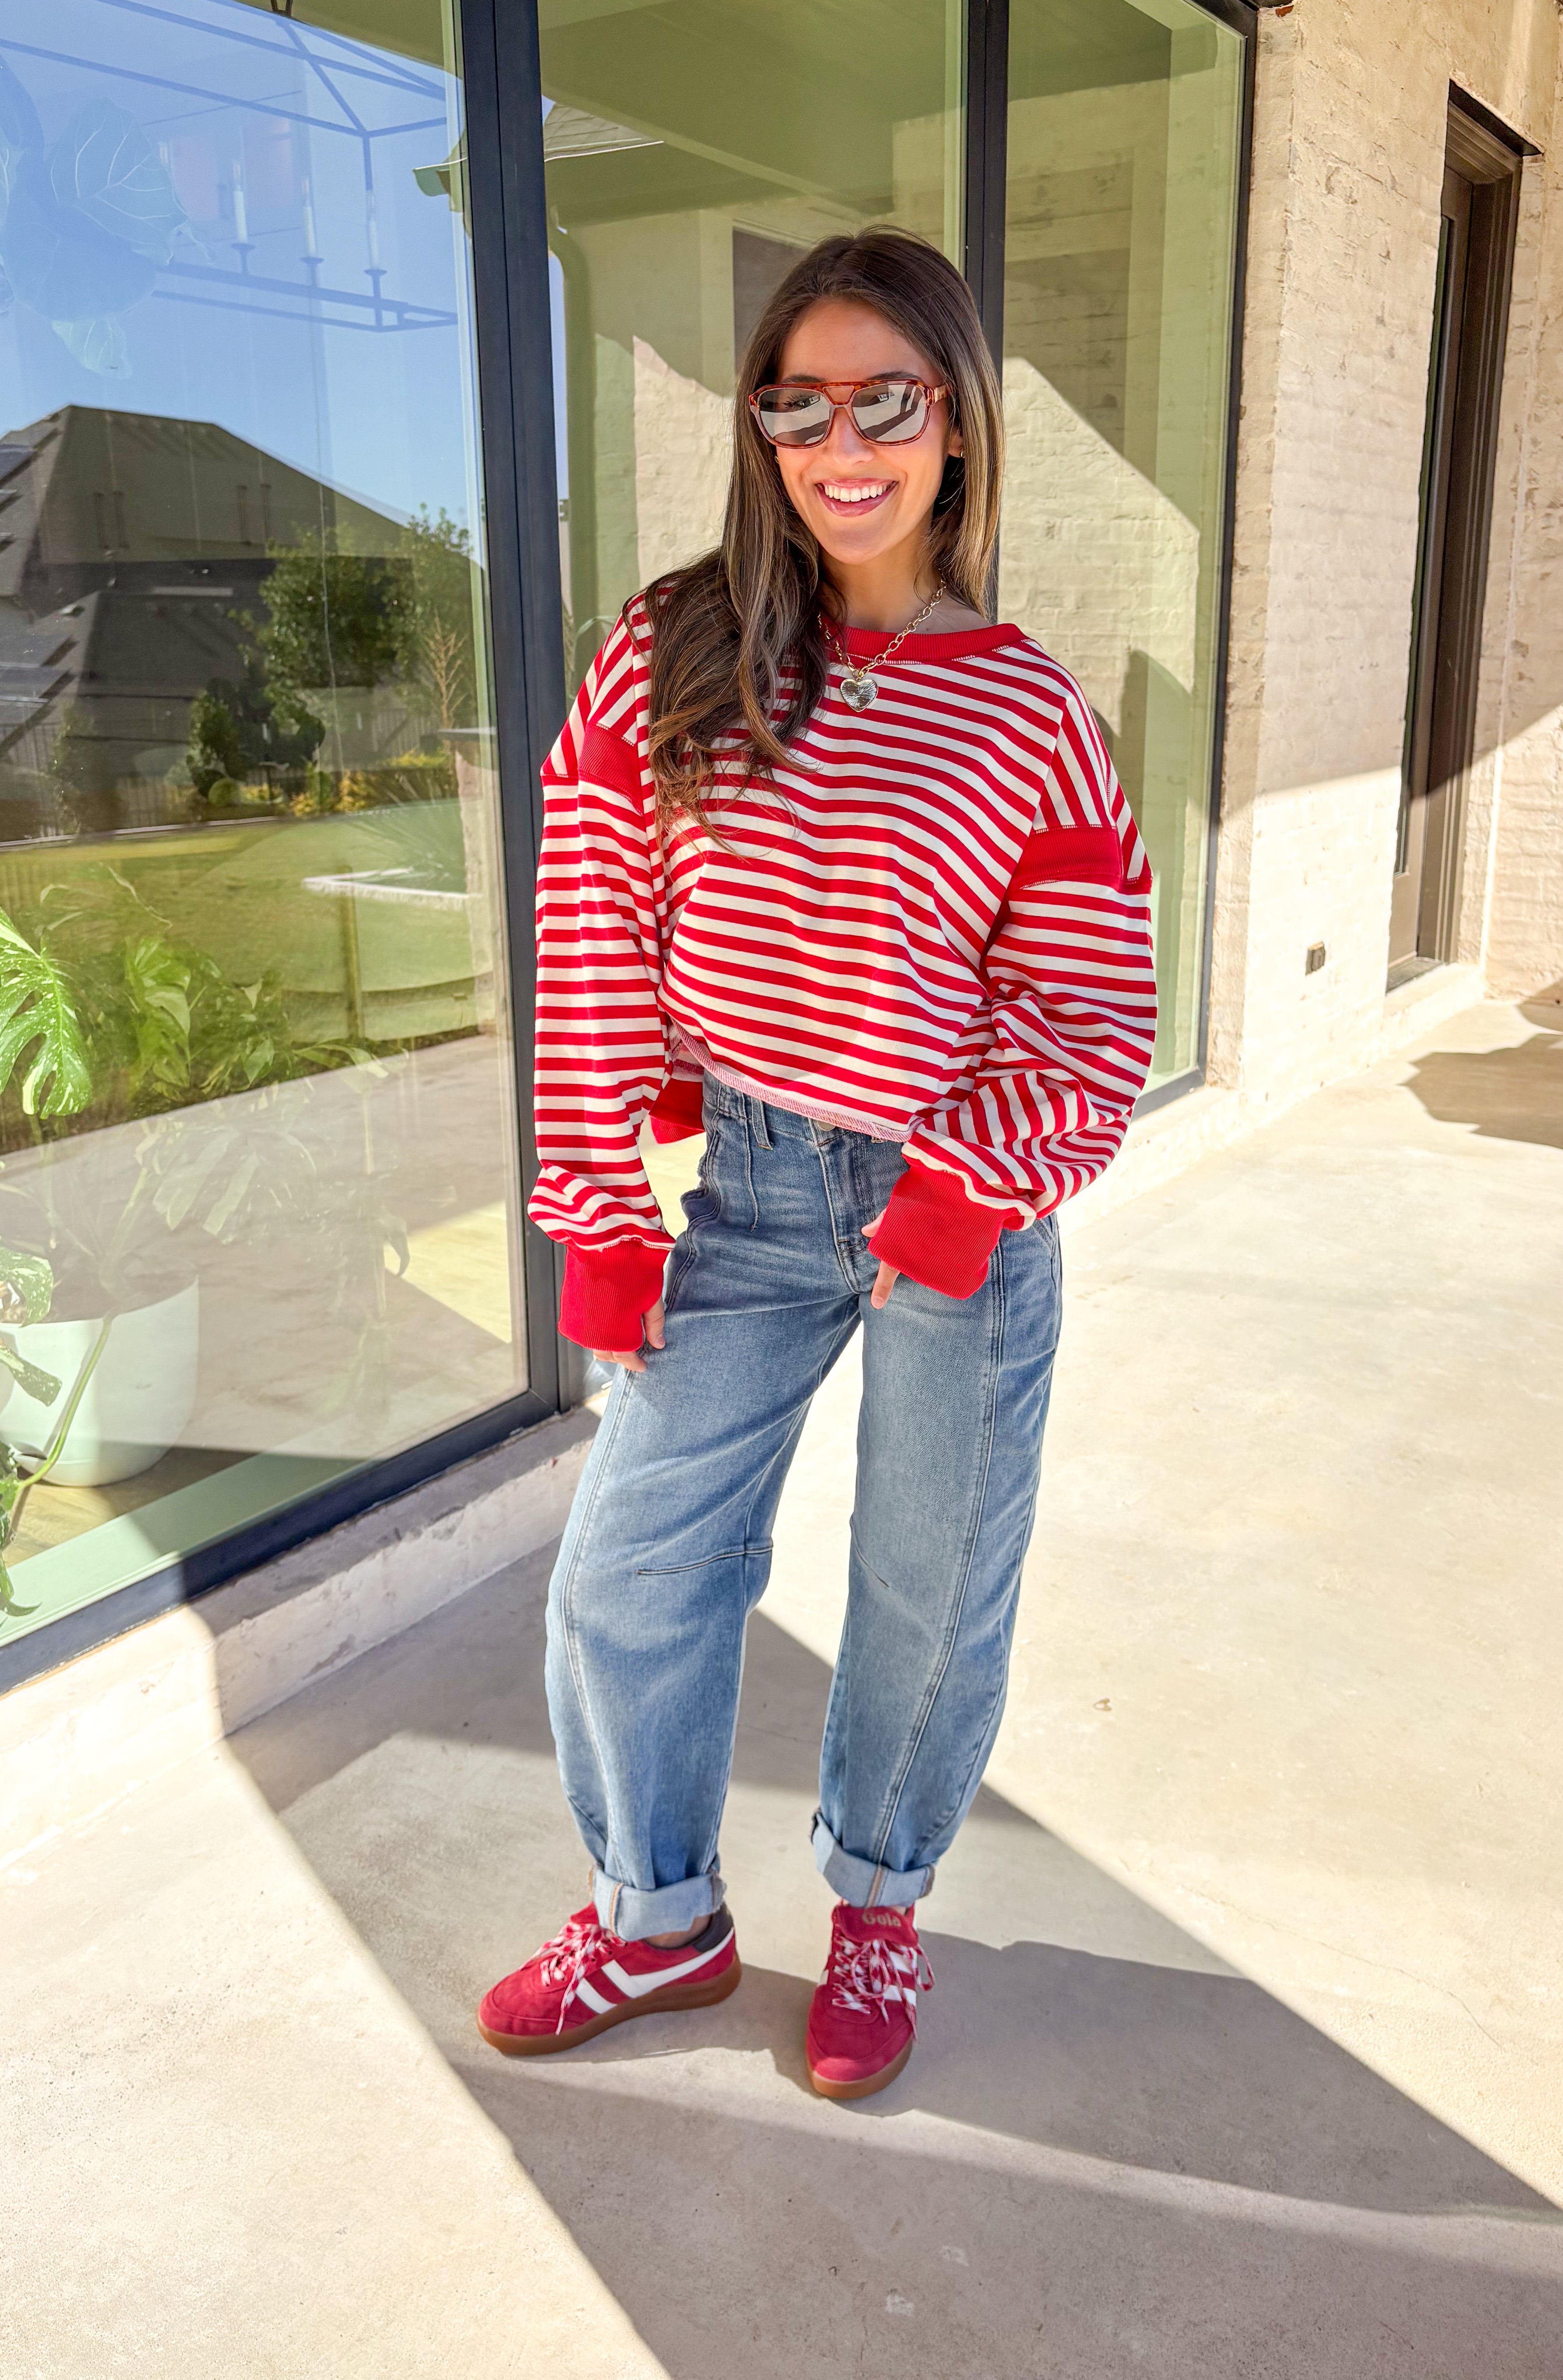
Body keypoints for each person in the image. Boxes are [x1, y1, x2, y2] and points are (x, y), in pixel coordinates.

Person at [477, 226, 1157, 2100]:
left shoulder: (1029, 712)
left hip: (959, 1199)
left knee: (928, 1587)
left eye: (886, 401)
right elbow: (596, 940)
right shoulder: (669, 648)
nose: (840, 443)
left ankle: (876, 1905)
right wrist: (597, 1213)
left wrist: (962, 1197)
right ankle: (656, 1919)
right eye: (797, 403)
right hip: (760, 1198)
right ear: (759, 426)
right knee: (631, 1568)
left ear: (956, 421)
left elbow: (1091, 1016)